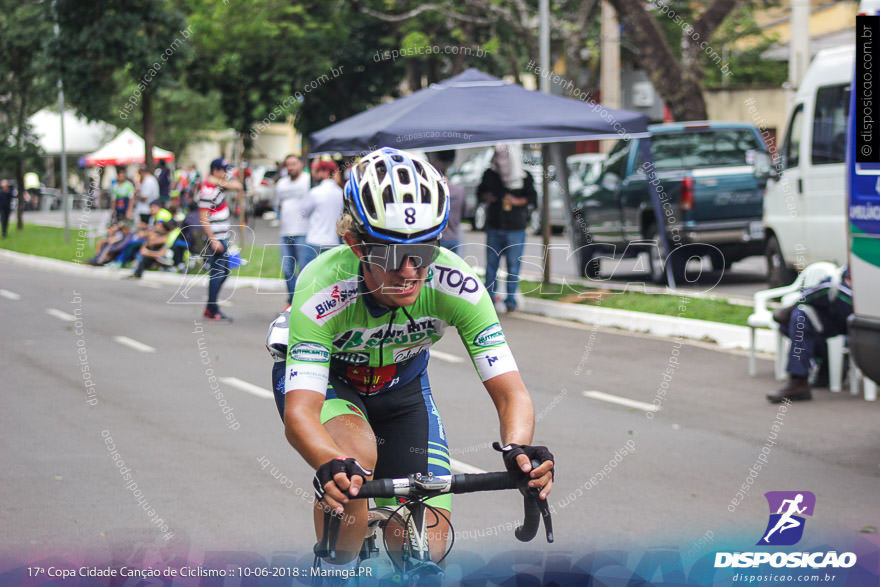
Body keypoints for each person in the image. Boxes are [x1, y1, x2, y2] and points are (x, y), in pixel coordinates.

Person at [266, 147, 555, 571]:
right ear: (355, 244)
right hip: (332, 382)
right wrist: (330, 465)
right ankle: (336, 567)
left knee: (422, 549)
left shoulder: (457, 283)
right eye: (388, 254)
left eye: (423, 252)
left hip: (402, 389)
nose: (408, 271)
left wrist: (519, 449)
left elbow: (512, 392)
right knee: (355, 465)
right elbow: (301, 415)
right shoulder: (322, 287)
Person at [767, 267, 853, 403]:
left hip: (859, 312)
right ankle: (799, 379)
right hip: (836, 314)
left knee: (828, 288)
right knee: (800, 318)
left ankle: (792, 308)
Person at [478, 144, 536, 313]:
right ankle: (489, 300)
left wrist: (516, 201)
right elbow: (480, 193)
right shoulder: (490, 175)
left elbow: (533, 199)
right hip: (495, 226)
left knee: (513, 266)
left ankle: (511, 300)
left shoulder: (524, 177)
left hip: (515, 228)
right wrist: (488, 197)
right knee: (491, 267)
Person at [198, 158, 242, 322]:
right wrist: (212, 239)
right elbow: (203, 218)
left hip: (222, 236)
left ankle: (211, 306)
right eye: (222, 170)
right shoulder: (208, 190)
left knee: (223, 272)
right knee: (218, 273)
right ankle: (212, 307)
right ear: (215, 170)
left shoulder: (216, 185)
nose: (225, 174)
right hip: (216, 238)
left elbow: (238, 186)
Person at [275, 154, 311, 303]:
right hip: (285, 233)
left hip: (303, 232)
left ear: (300, 165)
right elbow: (278, 205)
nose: (290, 167)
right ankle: (292, 302)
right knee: (288, 270)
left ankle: (303, 303)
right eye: (288, 165)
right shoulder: (281, 184)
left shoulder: (308, 180)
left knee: (304, 271)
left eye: (293, 164)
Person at [299, 158, 343, 267]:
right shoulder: (340, 192)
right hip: (333, 242)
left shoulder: (315, 192)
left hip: (314, 241)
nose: (316, 175)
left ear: (325, 172)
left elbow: (304, 213)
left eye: (318, 171)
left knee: (308, 277)